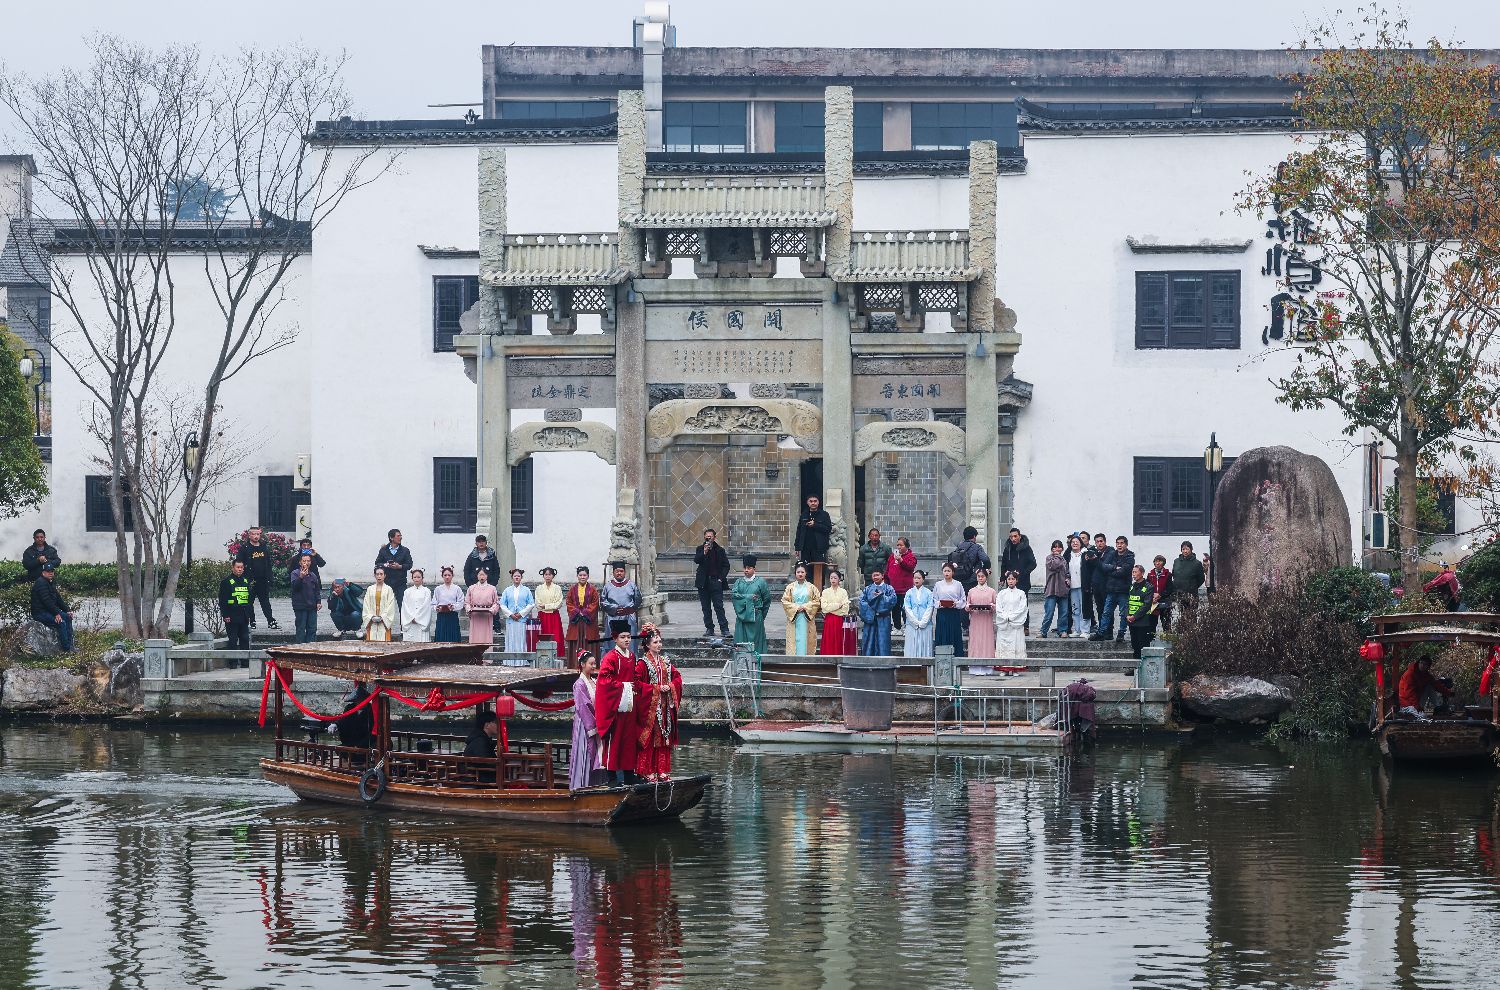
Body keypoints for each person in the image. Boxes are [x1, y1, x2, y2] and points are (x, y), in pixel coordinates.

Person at [635, 625, 682, 782]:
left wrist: (671, 686)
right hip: (650, 707)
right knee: (650, 739)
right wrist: (656, 688)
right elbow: (636, 683)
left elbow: (677, 677)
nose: (659, 644)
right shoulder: (642, 663)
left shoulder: (665, 662)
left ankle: (661, 770)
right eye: (655, 642)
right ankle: (647, 770)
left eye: (660, 641)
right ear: (647, 645)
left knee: (664, 737)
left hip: (665, 706)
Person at [596, 627, 643, 786]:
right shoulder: (610, 657)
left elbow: (635, 678)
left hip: (629, 705)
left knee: (629, 741)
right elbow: (604, 680)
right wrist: (624, 685)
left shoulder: (632, 656)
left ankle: (629, 775)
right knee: (614, 741)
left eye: (628, 637)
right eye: (623, 637)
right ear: (615, 639)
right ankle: (612, 778)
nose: (627, 640)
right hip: (615, 706)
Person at [569, 651, 603, 789]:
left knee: (597, 753)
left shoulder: (595, 681)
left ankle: (596, 784)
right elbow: (583, 706)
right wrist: (593, 725)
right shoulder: (579, 684)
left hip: (597, 721)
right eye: (591, 663)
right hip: (585, 724)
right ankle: (581, 785)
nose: (594, 666)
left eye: (595, 663)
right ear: (583, 664)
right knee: (585, 753)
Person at [1092, 536, 1136, 643]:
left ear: (1126, 544)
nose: (1119, 545)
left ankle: (1121, 634)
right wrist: (1114, 568)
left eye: (1122, 543)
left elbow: (1123, 571)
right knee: (1106, 613)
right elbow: (1103, 567)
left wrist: (1111, 570)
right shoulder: (1112, 554)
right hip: (1111, 589)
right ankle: (1101, 633)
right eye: (1118, 543)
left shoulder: (1130, 557)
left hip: (1123, 590)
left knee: (1123, 614)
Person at [234, 526, 278, 630]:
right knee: (249, 602)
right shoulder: (244, 548)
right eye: (254, 534)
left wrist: (270, 577)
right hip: (250, 580)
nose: (256, 536)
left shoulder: (263, 546)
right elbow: (239, 563)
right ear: (249, 535)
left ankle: (270, 620)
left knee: (265, 601)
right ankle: (252, 621)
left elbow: (268, 563)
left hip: (262, 579)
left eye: (258, 534)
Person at [693, 528, 732, 644]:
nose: (708, 538)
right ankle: (709, 628)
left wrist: (721, 578)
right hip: (703, 583)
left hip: (716, 581)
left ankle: (724, 629)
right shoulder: (700, 549)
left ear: (714, 537)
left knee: (719, 606)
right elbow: (696, 560)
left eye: (710, 536)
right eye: (706, 536)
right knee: (706, 607)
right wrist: (704, 552)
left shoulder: (720, 550)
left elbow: (726, 565)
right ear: (704, 537)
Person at [731, 556, 773, 656]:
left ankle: (757, 663)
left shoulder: (761, 582)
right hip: (742, 617)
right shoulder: (738, 582)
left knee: (756, 643)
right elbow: (734, 597)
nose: (746, 570)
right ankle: (742, 663)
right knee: (741, 641)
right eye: (745, 568)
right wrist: (749, 597)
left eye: (749, 568)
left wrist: (761, 615)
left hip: (756, 617)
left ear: (754, 569)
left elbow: (767, 600)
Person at [30, 562, 74, 653]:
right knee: (61, 622)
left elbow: (58, 598)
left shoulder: (50, 582)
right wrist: (56, 613)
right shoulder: (41, 583)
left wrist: (67, 610)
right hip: (40, 613)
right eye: (48, 571)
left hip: (49, 611)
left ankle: (70, 646)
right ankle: (66, 649)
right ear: (43, 573)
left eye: (52, 571)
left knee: (67, 617)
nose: (50, 573)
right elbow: (47, 601)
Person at [1000, 528, 1037, 633]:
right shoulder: (1007, 549)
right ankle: (1011, 625)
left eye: (1015, 536)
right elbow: (1004, 564)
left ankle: (1025, 626)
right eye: (1011, 537)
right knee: (1010, 603)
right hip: (1010, 581)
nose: (1013, 539)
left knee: (1023, 604)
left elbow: (1033, 564)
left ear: (1019, 536)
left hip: (1023, 581)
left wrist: (1023, 573)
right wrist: (1002, 578)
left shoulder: (1026, 548)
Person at [781, 563, 822, 655]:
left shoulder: (812, 587)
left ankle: (806, 658)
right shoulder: (790, 587)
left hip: (806, 616)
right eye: (798, 572)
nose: (800, 574)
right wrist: (796, 607)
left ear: (806, 573)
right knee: (794, 639)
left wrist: (805, 607)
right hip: (794, 616)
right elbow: (785, 601)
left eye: (802, 572)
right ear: (795, 573)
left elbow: (817, 601)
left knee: (806, 638)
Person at [794, 494, 833, 589]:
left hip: (819, 548)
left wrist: (815, 525)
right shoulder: (804, 515)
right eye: (811, 501)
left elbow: (828, 529)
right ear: (807, 502)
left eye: (815, 501)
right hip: (805, 548)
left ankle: (819, 589)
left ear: (818, 502)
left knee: (819, 569)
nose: (813, 503)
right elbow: (799, 531)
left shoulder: (824, 515)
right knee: (806, 569)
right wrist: (797, 547)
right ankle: (807, 590)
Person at [857, 568, 898, 657]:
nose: (875, 577)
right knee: (869, 641)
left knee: (883, 641)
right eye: (874, 575)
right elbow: (861, 602)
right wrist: (872, 611)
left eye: (877, 575)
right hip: (870, 619)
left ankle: (884, 661)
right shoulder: (868, 589)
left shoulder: (889, 588)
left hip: (883, 619)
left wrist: (882, 597)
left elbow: (892, 601)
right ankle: (868, 660)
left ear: (882, 576)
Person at [932, 562, 968, 659]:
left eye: (949, 571)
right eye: (945, 571)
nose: (946, 573)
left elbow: (963, 599)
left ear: (953, 572)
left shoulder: (958, 584)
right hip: (942, 613)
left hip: (954, 613)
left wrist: (956, 603)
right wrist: (939, 603)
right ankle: (941, 658)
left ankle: (956, 658)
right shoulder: (938, 584)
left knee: (954, 633)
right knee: (942, 633)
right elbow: (934, 599)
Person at [565, 566, 601, 663]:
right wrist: (577, 612)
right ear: (577, 576)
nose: (582, 577)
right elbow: (569, 602)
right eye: (580, 575)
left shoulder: (593, 590)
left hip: (588, 621)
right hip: (576, 620)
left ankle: (590, 664)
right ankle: (574, 664)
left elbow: (595, 603)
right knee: (575, 639)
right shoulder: (572, 589)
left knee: (589, 639)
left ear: (588, 576)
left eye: (584, 575)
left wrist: (585, 612)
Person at [995, 571, 1029, 671]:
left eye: (1013, 579)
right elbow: (998, 607)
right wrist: (1005, 617)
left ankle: (1016, 668)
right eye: (1009, 579)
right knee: (1003, 646)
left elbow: (1022, 608)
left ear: (1016, 580)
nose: (1010, 581)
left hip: (1016, 623)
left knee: (1016, 645)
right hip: (1004, 623)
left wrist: (1012, 617)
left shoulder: (1021, 593)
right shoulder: (1001, 593)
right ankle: (1003, 667)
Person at [967, 568, 999, 674]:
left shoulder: (992, 591)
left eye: (983, 576)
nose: (980, 578)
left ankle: (988, 667)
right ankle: (974, 667)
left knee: (987, 641)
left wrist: (992, 606)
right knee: (975, 641)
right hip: (975, 620)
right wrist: (969, 607)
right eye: (979, 576)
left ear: (986, 577)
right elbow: (967, 605)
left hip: (986, 620)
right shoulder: (971, 591)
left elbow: (997, 606)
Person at [946, 525, 992, 596]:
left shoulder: (959, 547)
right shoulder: (977, 547)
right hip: (972, 579)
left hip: (959, 579)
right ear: (974, 536)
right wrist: (985, 568)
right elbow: (985, 559)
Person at [499, 568, 535, 656]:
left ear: (521, 577)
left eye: (518, 576)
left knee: (521, 639)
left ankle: (522, 660)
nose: (517, 577)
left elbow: (531, 604)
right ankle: (510, 660)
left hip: (521, 620)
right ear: (512, 577)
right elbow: (502, 604)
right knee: (511, 639)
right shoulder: (507, 590)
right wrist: (510, 614)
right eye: (515, 576)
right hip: (511, 620)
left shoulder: (526, 590)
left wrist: (521, 614)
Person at [218, 560, 253, 652]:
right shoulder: (226, 582)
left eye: (241, 567)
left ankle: (245, 660)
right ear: (233, 568)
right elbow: (222, 600)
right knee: (233, 640)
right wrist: (225, 615)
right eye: (238, 567)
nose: (240, 569)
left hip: (244, 615)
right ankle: (232, 660)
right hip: (232, 616)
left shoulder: (246, 581)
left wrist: (250, 615)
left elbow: (249, 600)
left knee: (245, 639)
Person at [818, 569, 854, 656]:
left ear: (839, 579)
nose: (833, 580)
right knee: (829, 639)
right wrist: (838, 605)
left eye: (835, 578)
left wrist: (832, 608)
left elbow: (845, 608)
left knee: (839, 639)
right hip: (829, 620)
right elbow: (824, 608)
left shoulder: (843, 592)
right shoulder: (825, 592)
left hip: (840, 620)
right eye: (831, 578)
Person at [374, 529, 414, 608]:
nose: (400, 537)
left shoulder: (405, 550)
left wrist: (399, 566)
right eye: (398, 536)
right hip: (387, 582)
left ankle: (403, 617)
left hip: (400, 582)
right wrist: (385, 565)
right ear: (391, 538)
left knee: (403, 606)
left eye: (400, 536)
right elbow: (377, 563)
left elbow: (409, 565)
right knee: (385, 606)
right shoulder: (383, 550)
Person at [601, 562, 642, 638]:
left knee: (629, 641)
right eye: (617, 571)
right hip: (612, 618)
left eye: (621, 571)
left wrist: (629, 609)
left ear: (625, 572)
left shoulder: (631, 585)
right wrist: (614, 609)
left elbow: (638, 600)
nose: (619, 573)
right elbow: (603, 602)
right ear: (613, 573)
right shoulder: (607, 586)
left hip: (628, 618)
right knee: (613, 641)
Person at [1124, 564, 1156, 659]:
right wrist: (1127, 615)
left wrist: (1135, 616)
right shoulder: (1132, 586)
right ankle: (1135, 664)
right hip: (1131, 621)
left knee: (1143, 645)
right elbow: (1127, 602)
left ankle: (1144, 666)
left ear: (1142, 573)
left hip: (1143, 622)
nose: (1133, 574)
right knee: (1135, 645)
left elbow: (1146, 605)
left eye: (1135, 572)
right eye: (1132, 572)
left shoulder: (1149, 587)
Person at [1040, 540, 1070, 639]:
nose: (1057, 549)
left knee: (1064, 612)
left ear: (1062, 549)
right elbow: (1054, 566)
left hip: (1063, 589)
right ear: (1052, 548)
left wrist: (1068, 579)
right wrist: (1057, 556)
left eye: (1059, 547)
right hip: (1051, 589)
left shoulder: (1064, 560)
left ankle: (1062, 630)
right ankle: (1043, 631)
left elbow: (1067, 572)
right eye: (1055, 547)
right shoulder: (1049, 558)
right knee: (1049, 612)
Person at [289, 555, 322, 644]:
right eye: (304, 561)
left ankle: (310, 648)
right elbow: (295, 588)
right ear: (300, 562)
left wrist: (318, 601)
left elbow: (317, 590)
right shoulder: (295, 573)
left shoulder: (313, 575)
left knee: (312, 629)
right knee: (300, 628)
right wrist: (301, 577)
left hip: (312, 606)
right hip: (300, 606)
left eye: (308, 561)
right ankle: (300, 648)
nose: (306, 563)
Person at [902, 570, 935, 659]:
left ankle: (925, 664)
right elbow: (907, 608)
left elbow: (930, 607)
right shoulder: (909, 592)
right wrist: (914, 621)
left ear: (923, 579)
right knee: (911, 645)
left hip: (925, 624)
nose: (916, 580)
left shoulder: (928, 592)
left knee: (925, 645)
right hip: (912, 624)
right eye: (915, 578)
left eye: (919, 578)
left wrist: (923, 622)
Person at [886, 537, 917, 631]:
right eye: (898, 545)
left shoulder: (911, 556)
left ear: (906, 546)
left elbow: (910, 567)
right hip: (893, 588)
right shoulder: (892, 556)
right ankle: (897, 627)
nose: (899, 547)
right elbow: (888, 570)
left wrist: (901, 560)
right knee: (895, 609)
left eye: (901, 545)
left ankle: (907, 627)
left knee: (905, 609)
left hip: (905, 589)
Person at [360, 567, 398, 642]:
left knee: (384, 642)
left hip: (384, 621)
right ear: (374, 575)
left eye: (381, 574)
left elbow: (390, 606)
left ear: (385, 575)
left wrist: (382, 617)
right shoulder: (370, 589)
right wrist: (371, 617)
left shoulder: (389, 589)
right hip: (372, 621)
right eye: (377, 574)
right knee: (371, 643)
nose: (379, 576)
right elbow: (366, 605)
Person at [336, 684, 376, 753]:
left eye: (362, 700)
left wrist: (360, 746)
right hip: (350, 742)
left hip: (365, 744)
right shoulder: (349, 708)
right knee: (340, 750)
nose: (360, 702)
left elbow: (373, 732)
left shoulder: (371, 710)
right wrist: (336, 725)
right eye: (358, 700)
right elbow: (342, 721)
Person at [465, 568, 499, 647]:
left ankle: (487, 654)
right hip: (475, 615)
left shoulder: (492, 588)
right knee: (475, 637)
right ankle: (474, 654)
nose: (482, 577)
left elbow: (496, 603)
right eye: (480, 575)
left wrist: (492, 609)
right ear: (477, 576)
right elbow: (467, 602)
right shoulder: (471, 588)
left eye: (484, 575)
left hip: (487, 615)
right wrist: (469, 609)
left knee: (486, 637)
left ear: (487, 576)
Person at [1086, 534, 1111, 641]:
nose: (1099, 543)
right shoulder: (1095, 552)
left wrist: (1095, 559)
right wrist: (1088, 560)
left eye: (1101, 541)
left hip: (1106, 585)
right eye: (1097, 542)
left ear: (1105, 541)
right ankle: (1102, 630)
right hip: (1096, 585)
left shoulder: (1110, 552)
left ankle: (1109, 632)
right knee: (1100, 609)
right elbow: (1090, 569)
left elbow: (1104, 567)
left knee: (1107, 610)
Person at [534, 567, 565, 650]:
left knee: (556, 636)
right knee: (542, 635)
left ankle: (556, 653)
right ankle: (542, 653)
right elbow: (538, 604)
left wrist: (546, 606)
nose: (548, 576)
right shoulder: (539, 588)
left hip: (554, 616)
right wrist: (550, 606)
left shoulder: (557, 588)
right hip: (542, 616)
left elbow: (558, 603)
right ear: (543, 576)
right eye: (546, 574)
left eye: (549, 574)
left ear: (553, 576)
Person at [1171, 541, 1205, 613]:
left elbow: (1201, 578)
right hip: (1179, 593)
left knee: (1192, 615)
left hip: (1191, 594)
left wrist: (1192, 586)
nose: (1185, 551)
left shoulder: (1197, 563)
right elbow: (1174, 574)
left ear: (1191, 549)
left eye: (1187, 549)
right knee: (1182, 614)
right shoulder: (1176, 561)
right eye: (1183, 549)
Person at [432, 566, 464, 642]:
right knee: (441, 636)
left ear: (452, 576)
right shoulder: (438, 589)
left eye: (449, 575)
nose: (447, 577)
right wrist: (437, 607)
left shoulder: (457, 588)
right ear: (442, 576)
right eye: (445, 575)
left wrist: (453, 607)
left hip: (452, 616)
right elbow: (433, 603)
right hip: (441, 616)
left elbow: (461, 602)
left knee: (453, 636)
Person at [401, 569, 434, 642]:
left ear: (422, 578)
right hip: (410, 622)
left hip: (422, 622)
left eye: (419, 577)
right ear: (412, 578)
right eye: (415, 577)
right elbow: (405, 607)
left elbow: (426, 607)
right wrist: (411, 618)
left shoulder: (426, 591)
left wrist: (418, 618)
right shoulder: (407, 591)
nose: (416, 579)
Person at [1065, 535, 1087, 638]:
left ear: (1081, 543)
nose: (1074, 543)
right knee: (1075, 609)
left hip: (1083, 586)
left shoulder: (1085, 554)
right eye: (1072, 542)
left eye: (1077, 541)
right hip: (1073, 586)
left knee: (1084, 609)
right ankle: (1077, 630)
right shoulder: (1068, 555)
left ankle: (1085, 630)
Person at [1145, 555, 1175, 632]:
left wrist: (1160, 595)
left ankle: (1167, 637)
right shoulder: (1150, 575)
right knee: (1152, 623)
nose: (1157, 563)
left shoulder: (1168, 574)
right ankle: (1151, 638)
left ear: (1163, 563)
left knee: (1166, 623)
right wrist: (1152, 596)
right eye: (1156, 561)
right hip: (1153, 602)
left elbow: (1170, 589)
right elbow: (1147, 588)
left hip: (1164, 601)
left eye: (1160, 561)